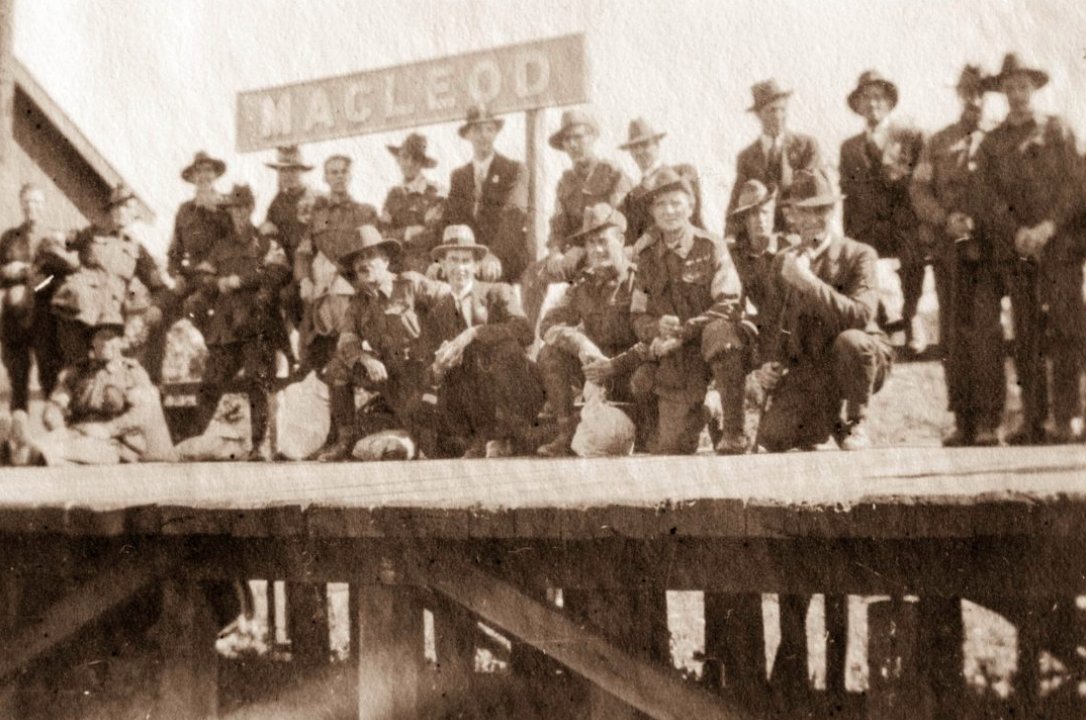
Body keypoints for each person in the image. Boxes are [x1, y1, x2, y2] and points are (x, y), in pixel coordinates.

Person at [968, 53, 1085, 444]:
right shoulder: (993, 143)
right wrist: (1017, 232)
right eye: (1010, 87)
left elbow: (1077, 184)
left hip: (1061, 247)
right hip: (1018, 252)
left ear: (1034, 88)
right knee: (1027, 335)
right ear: (1001, 91)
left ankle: (1068, 416)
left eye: (1024, 86)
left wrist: (1049, 225)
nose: (1017, 94)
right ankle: (1034, 418)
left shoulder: (1059, 130)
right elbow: (987, 198)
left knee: (1068, 330)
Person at [753, 168, 893, 452]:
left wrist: (808, 282)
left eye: (822, 210)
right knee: (773, 437)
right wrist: (767, 363)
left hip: (860, 358)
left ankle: (857, 422)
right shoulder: (783, 261)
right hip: (813, 365)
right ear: (791, 215)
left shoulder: (859, 254)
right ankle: (831, 421)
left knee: (851, 341)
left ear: (833, 210)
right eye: (803, 212)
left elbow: (861, 316)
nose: (813, 220)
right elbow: (770, 323)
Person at [910, 65, 1005, 446]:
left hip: (989, 253)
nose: (974, 99)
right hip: (950, 251)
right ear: (959, 95)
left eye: (981, 92)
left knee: (986, 331)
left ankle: (989, 419)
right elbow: (919, 191)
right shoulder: (937, 142)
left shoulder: (999, 140)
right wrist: (945, 220)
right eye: (968, 92)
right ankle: (963, 418)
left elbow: (1009, 193)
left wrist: (980, 222)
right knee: (953, 333)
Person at [629, 167, 748, 455]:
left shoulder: (710, 247)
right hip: (678, 356)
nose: (669, 211)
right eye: (661, 204)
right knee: (672, 446)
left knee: (721, 334)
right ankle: (708, 408)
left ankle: (734, 430)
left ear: (690, 207)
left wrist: (684, 330)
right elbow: (637, 314)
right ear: (652, 211)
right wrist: (656, 329)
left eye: (676, 203)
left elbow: (729, 303)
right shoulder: (645, 258)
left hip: (712, 344)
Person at [317, 225, 450, 461]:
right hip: (388, 375)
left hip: (424, 374)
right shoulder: (358, 305)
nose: (363, 263)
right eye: (358, 259)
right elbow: (346, 342)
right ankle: (344, 441)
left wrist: (446, 346)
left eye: (370, 256)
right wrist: (365, 358)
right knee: (338, 367)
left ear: (386, 261)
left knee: (433, 443)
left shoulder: (410, 284)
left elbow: (451, 299)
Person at [183, 184, 291, 461]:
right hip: (226, 327)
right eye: (234, 209)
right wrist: (217, 282)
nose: (239, 213)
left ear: (252, 208)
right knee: (211, 383)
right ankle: (193, 443)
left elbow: (278, 272)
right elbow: (202, 277)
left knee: (258, 381)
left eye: (243, 207)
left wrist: (241, 281)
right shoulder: (220, 247)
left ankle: (260, 445)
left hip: (258, 325)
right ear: (228, 212)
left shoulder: (266, 242)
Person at [536, 204, 651, 456]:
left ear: (620, 240)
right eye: (590, 244)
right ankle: (566, 432)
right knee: (549, 354)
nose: (597, 250)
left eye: (602, 241)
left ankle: (646, 432)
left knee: (646, 382)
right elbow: (548, 324)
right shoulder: (583, 284)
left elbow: (652, 340)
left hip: (633, 369)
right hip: (595, 371)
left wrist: (615, 365)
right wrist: (581, 345)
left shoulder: (641, 279)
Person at [428, 225, 543, 458]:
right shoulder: (439, 312)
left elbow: (524, 331)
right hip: (473, 395)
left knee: (505, 350)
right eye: (453, 260)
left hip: (515, 390)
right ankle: (478, 439)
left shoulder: (497, 292)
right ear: (442, 264)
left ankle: (514, 434)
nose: (460, 268)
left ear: (476, 265)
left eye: (466, 261)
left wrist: (475, 333)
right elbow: (428, 368)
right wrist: (439, 366)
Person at [839, 71, 928, 354]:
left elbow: (921, 182)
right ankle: (875, 317)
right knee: (857, 258)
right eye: (866, 98)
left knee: (912, 249)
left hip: (903, 223)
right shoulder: (850, 147)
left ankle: (912, 315)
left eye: (878, 97)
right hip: (867, 227)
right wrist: (848, 236)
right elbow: (848, 196)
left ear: (889, 102)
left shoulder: (908, 136)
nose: (873, 104)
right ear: (859, 106)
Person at [7, 318, 176, 466]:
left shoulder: (132, 372)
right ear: (92, 342)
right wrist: (54, 418)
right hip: (78, 431)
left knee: (69, 449)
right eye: (100, 337)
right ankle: (27, 450)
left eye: (111, 337)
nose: (105, 343)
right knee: (51, 442)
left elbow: (141, 413)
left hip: (115, 442)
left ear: (120, 342)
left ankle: (33, 453)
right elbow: (57, 403)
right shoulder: (77, 372)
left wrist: (108, 429)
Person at [51, 184, 168, 369]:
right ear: (111, 210)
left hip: (110, 318)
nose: (122, 212)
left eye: (128, 208)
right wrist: (69, 264)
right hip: (80, 311)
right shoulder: (90, 234)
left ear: (134, 215)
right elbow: (56, 242)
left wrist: (156, 307)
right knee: (76, 367)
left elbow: (159, 285)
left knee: (106, 370)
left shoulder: (137, 249)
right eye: (118, 207)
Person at [144, 151, 233, 382]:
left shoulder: (226, 206)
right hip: (190, 276)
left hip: (217, 275)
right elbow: (174, 251)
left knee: (194, 306)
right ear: (192, 177)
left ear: (215, 175)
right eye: (198, 172)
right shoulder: (184, 210)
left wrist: (213, 211)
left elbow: (235, 242)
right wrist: (175, 274)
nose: (203, 176)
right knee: (156, 310)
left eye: (208, 171)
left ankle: (210, 366)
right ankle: (153, 379)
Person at [294, 154, 380, 373]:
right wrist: (304, 279)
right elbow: (304, 252)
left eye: (343, 171)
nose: (339, 176)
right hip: (321, 298)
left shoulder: (364, 212)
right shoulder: (317, 215)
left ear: (350, 175)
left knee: (347, 357)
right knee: (312, 358)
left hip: (353, 292)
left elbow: (376, 254)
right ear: (325, 177)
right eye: (334, 172)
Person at [0, 183, 77, 410]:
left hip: (45, 315)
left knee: (49, 376)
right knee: (18, 379)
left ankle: (55, 435)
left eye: (36, 202)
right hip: (14, 318)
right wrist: (7, 271)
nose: (31, 207)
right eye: (27, 202)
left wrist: (38, 283)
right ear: (21, 205)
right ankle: (17, 436)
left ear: (44, 206)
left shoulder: (54, 237)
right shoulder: (9, 238)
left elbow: (63, 274)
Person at [443, 104, 528, 283]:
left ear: (496, 133)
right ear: (468, 135)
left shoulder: (513, 170)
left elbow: (514, 216)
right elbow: (451, 219)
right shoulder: (459, 176)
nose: (483, 136)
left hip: (505, 258)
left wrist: (493, 254)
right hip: (469, 260)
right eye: (477, 129)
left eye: (489, 129)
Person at [725, 79, 822, 236]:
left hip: (801, 231)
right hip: (762, 235)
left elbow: (812, 190)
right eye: (771, 110)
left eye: (782, 110)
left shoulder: (806, 146)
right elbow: (737, 200)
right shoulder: (746, 157)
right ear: (758, 114)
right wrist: (729, 236)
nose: (778, 116)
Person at [263, 145, 317, 364]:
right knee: (265, 296)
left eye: (293, 170)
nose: (288, 176)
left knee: (292, 297)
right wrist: (266, 229)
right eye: (283, 171)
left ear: (301, 172)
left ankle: (307, 350)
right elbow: (270, 230)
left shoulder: (314, 198)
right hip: (286, 264)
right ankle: (286, 352)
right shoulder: (278, 201)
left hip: (310, 265)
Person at [617, 118, 704, 245]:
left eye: (645, 144)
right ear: (630, 153)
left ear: (657, 144)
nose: (640, 151)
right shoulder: (630, 198)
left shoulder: (683, 171)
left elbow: (693, 211)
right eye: (635, 147)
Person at [380, 132, 446, 274]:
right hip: (395, 268)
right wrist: (408, 232)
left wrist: (397, 235)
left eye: (415, 159)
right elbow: (383, 236)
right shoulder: (393, 195)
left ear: (422, 163)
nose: (409, 163)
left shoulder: (435, 194)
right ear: (398, 160)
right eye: (405, 157)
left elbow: (431, 236)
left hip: (426, 268)